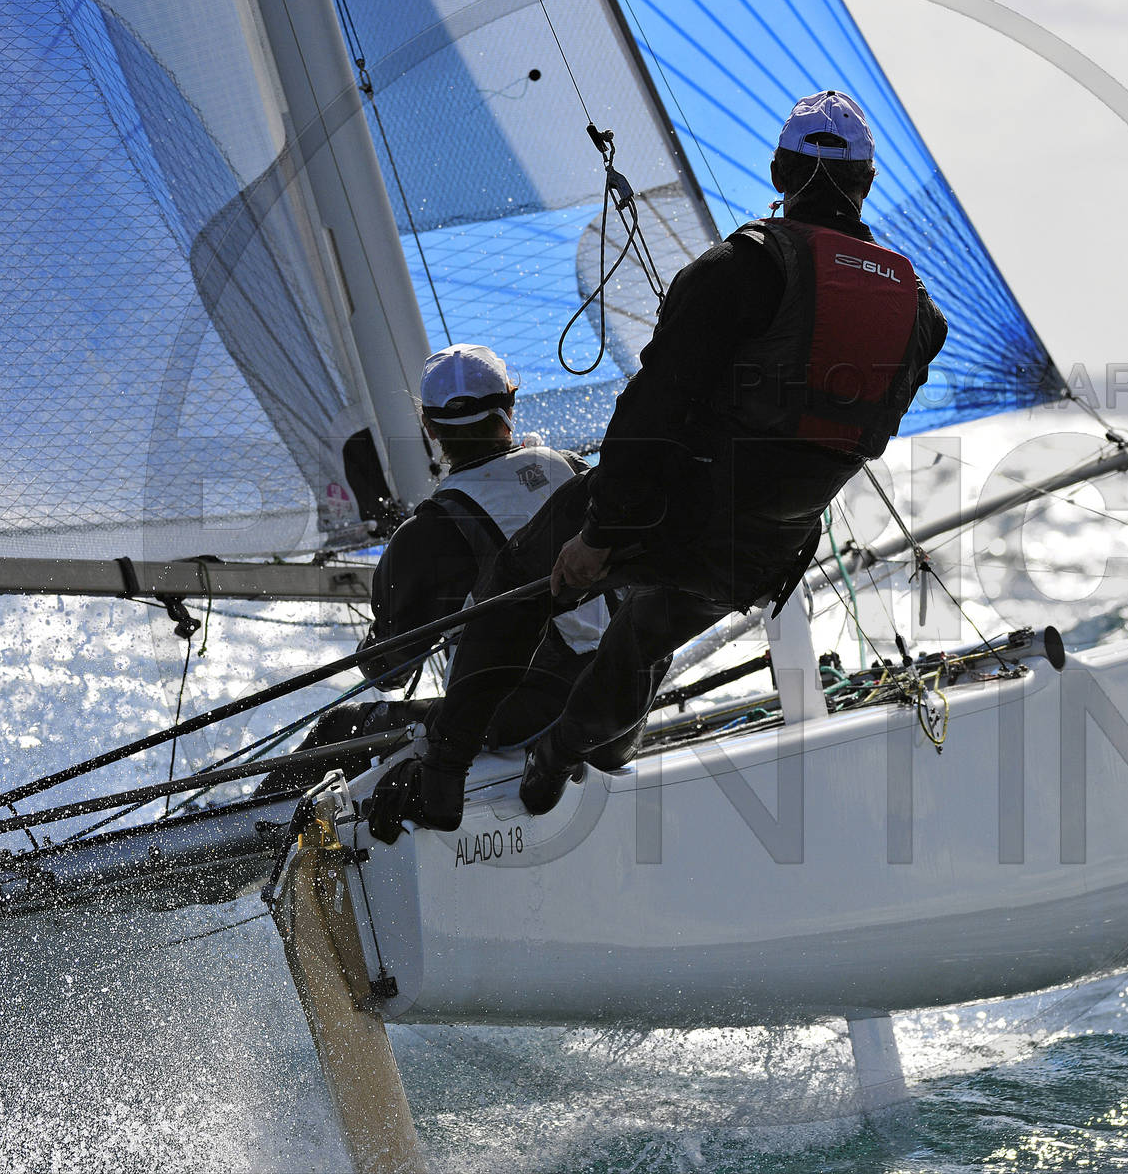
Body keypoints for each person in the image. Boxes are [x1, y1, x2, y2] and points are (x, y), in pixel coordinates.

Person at [369, 89, 947, 837]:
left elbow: (651, 414)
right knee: (643, 637)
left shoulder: (738, 268)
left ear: (779, 171)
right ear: (867, 182)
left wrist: (601, 536)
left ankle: (444, 774)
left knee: (515, 585)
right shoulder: (920, 314)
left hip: (675, 512)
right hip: (767, 549)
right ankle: (559, 757)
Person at [267, 344, 607, 798]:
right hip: (611, 697)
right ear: (510, 406)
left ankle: (244, 832)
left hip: (519, 720)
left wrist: (379, 638)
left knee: (338, 729)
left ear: (427, 425)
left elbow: (388, 673)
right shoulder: (572, 470)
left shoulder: (429, 530)